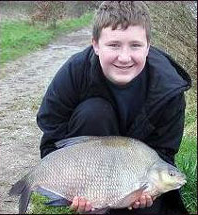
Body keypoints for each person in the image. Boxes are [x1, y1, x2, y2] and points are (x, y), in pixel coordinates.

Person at [37, 1, 191, 215]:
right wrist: (67, 184)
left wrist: (151, 191)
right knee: (93, 111)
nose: (124, 57)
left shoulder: (169, 88)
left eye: (135, 45)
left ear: (148, 46)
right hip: (91, 173)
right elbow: (52, 139)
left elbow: (164, 153)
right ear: (96, 45)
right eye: (114, 45)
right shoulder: (73, 73)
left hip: (137, 174)